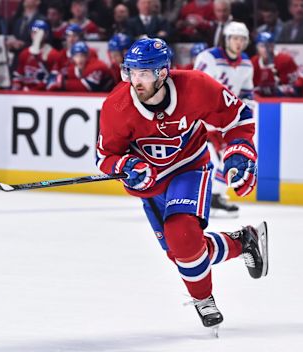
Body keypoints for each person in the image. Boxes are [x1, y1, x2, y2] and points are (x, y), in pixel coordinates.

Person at [96, 38, 268, 330]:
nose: (136, 81)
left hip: (190, 167)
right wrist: (126, 166)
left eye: (144, 73)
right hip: (152, 184)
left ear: (163, 73)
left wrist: (239, 149)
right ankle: (242, 242)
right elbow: (105, 157)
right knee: (182, 255)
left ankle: (204, 300)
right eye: (132, 73)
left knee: (183, 238)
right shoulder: (117, 106)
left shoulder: (196, 86)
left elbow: (238, 116)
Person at [194, 21, 253, 218]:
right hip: (205, 120)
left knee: (230, 157)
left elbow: (246, 93)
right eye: (235, 38)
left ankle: (214, 196)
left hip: (227, 121)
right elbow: (196, 85)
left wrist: (245, 115)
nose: (238, 43)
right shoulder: (209, 57)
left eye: (242, 39)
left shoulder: (246, 63)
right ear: (227, 39)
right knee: (210, 159)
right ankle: (206, 196)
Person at [47, 41, 114, 92]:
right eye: (77, 56)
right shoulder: (71, 68)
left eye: (82, 56)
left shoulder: (97, 66)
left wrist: (64, 83)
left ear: (87, 57)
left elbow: (88, 86)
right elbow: (51, 81)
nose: (80, 59)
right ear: (72, 58)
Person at [12, 20, 60, 91]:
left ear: (46, 34)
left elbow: (53, 79)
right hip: (25, 93)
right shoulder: (24, 53)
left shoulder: (53, 54)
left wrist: (34, 90)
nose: (36, 34)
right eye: (33, 31)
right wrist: (16, 87)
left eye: (39, 32)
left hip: (43, 95)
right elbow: (19, 76)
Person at [251, 32, 298, 97]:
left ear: (273, 46)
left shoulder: (286, 60)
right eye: (262, 46)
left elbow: (296, 85)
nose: (265, 50)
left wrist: (281, 90)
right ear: (257, 47)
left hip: (285, 100)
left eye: (268, 46)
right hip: (261, 101)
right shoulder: (253, 62)